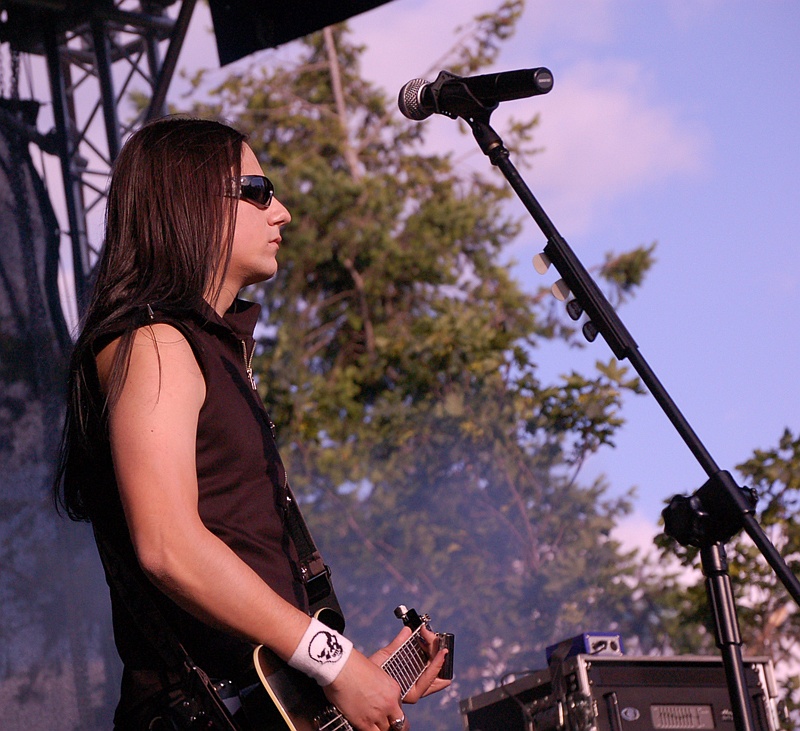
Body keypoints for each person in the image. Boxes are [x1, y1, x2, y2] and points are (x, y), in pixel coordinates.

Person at [55, 116, 449, 730]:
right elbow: (169, 547)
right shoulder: (155, 342)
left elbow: (259, 634)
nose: (282, 211)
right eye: (259, 191)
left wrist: (360, 676)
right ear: (191, 202)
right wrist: (336, 661)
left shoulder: (213, 351)